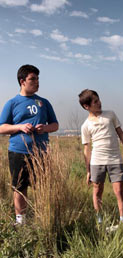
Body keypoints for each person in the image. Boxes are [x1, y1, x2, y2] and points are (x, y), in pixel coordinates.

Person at [0, 65, 58, 225]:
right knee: (20, 187)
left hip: (41, 152)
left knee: (42, 186)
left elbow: (55, 125)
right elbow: (2, 127)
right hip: (18, 151)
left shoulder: (44, 102)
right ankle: (21, 222)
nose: (37, 82)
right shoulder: (12, 103)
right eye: (33, 79)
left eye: (38, 79)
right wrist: (20, 127)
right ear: (22, 81)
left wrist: (45, 128)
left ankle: (43, 218)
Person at [79, 89, 123, 225]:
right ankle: (100, 221)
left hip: (115, 158)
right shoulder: (85, 125)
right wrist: (88, 170)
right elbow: (87, 149)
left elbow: (120, 133)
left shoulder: (110, 114)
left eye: (99, 100)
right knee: (97, 190)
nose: (99, 103)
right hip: (97, 161)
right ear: (87, 106)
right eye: (95, 102)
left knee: (119, 190)